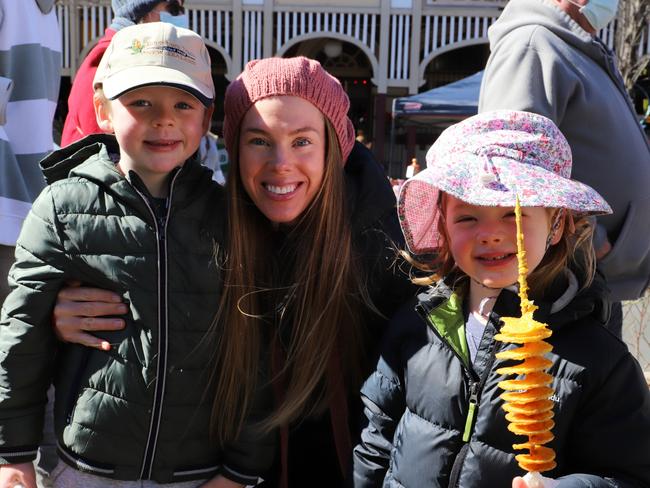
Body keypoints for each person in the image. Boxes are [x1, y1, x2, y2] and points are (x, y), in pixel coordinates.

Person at [51, 56, 415, 488]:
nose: (280, 162)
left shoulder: (384, 253)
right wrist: (63, 318)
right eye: (259, 140)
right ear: (233, 147)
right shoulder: (212, 232)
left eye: (302, 141)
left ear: (333, 148)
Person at [0, 22, 273, 488]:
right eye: (141, 101)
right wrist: (13, 453)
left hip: (200, 470)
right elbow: (22, 339)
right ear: (104, 110)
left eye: (183, 104)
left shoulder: (232, 218)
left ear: (205, 121)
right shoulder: (62, 207)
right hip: (87, 467)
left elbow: (257, 352)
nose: (163, 119)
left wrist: (242, 467)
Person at [353, 110, 650, 487]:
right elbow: (376, 438)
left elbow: (629, 474)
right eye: (468, 218)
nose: (491, 234)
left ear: (556, 223)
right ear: (442, 223)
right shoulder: (416, 326)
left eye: (513, 215)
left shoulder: (598, 360)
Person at [478, 0, 650, 338]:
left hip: (584, 282)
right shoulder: (532, 44)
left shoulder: (570, 47)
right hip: (562, 288)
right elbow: (511, 170)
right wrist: (589, 241)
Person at [60, 0, 185, 147]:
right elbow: (101, 154)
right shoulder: (108, 62)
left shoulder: (140, 58)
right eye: (173, 9)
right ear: (142, 11)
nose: (180, 17)